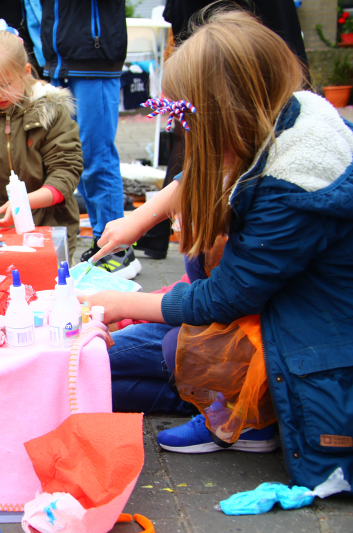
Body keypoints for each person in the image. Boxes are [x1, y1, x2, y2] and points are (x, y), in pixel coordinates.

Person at [84, 11, 353, 490]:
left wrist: (119, 303)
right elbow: (199, 176)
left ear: (227, 114)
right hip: (254, 321)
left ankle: (246, 414)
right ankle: (225, 399)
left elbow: (227, 297)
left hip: (282, 340)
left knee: (96, 372)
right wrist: (141, 217)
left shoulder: (292, 185)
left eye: (191, 124)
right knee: (98, 363)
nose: (189, 137)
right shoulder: (278, 120)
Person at [133, 0, 310, 261]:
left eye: (195, 132)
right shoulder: (265, 148)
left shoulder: (284, 192)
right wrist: (139, 218)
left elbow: (238, 284)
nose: (192, 146)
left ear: (231, 116)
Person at [0, 24, 82, 261]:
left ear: (26, 72)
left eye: (5, 84)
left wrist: (23, 202)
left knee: (49, 280)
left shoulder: (52, 114)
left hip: (50, 223)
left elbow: (66, 172)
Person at [36, 0, 141, 279]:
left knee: (97, 158)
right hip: (60, 59)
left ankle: (117, 251)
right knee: (72, 158)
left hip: (94, 55)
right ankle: (103, 244)